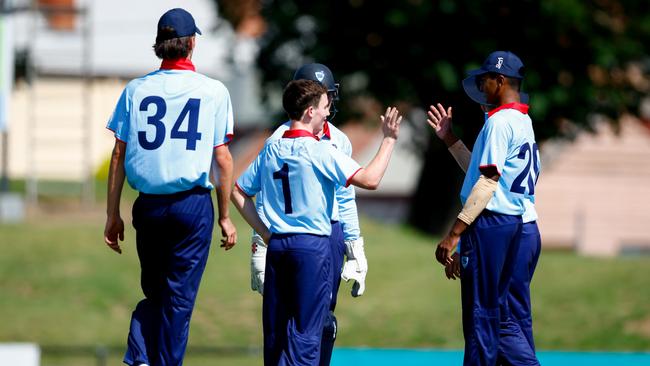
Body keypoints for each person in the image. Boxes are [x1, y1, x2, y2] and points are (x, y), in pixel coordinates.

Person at [231, 79, 401, 366]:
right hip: (311, 248)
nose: (327, 112)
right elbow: (370, 180)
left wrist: (265, 233)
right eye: (325, 106)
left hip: (279, 246)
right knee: (307, 334)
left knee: (276, 331)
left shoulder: (271, 148)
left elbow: (238, 191)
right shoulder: (322, 151)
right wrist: (388, 140)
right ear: (309, 111)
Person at [103, 8, 237, 366]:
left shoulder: (136, 90)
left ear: (160, 45)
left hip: (147, 205)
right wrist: (225, 216)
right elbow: (222, 159)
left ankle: (140, 356)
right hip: (191, 206)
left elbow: (119, 153)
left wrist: (112, 213)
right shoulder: (212, 91)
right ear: (191, 43)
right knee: (178, 299)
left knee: (155, 292)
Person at [249, 63, 367, 365]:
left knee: (320, 318)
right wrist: (259, 246)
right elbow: (263, 196)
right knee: (286, 319)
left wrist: (355, 247)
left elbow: (345, 196)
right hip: (292, 236)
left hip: (329, 233)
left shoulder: (338, 140)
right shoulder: (277, 141)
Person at [431, 51, 540, 366]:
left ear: (501, 80)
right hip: (519, 226)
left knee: (485, 316)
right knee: (511, 318)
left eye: (486, 79)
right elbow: (486, 173)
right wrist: (450, 138)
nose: (481, 86)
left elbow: (488, 181)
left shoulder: (500, 123)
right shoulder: (523, 120)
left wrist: (454, 234)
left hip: (493, 224)